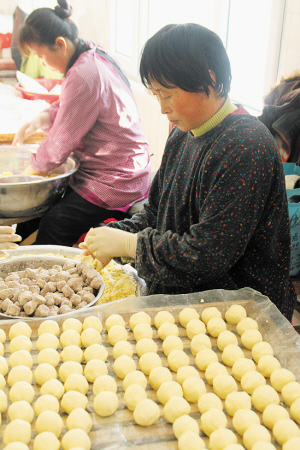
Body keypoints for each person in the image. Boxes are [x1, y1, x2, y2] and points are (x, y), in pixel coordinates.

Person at [81, 23, 297, 322]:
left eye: (167, 95)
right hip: (186, 297)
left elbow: (208, 253)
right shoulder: (184, 133)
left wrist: (132, 246)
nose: (161, 108)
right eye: (155, 94)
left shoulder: (246, 146)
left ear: (209, 79)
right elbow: (156, 214)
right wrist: (115, 234)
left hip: (238, 310)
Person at [12, 0, 151, 247]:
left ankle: (42, 275)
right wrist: (42, 118)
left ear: (60, 44)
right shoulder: (90, 54)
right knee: (35, 209)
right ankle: (19, 255)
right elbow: (71, 106)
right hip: (115, 169)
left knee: (54, 221)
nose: (42, 63)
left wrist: (26, 175)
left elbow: (57, 145)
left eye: (42, 56)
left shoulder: (84, 74)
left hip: (117, 180)